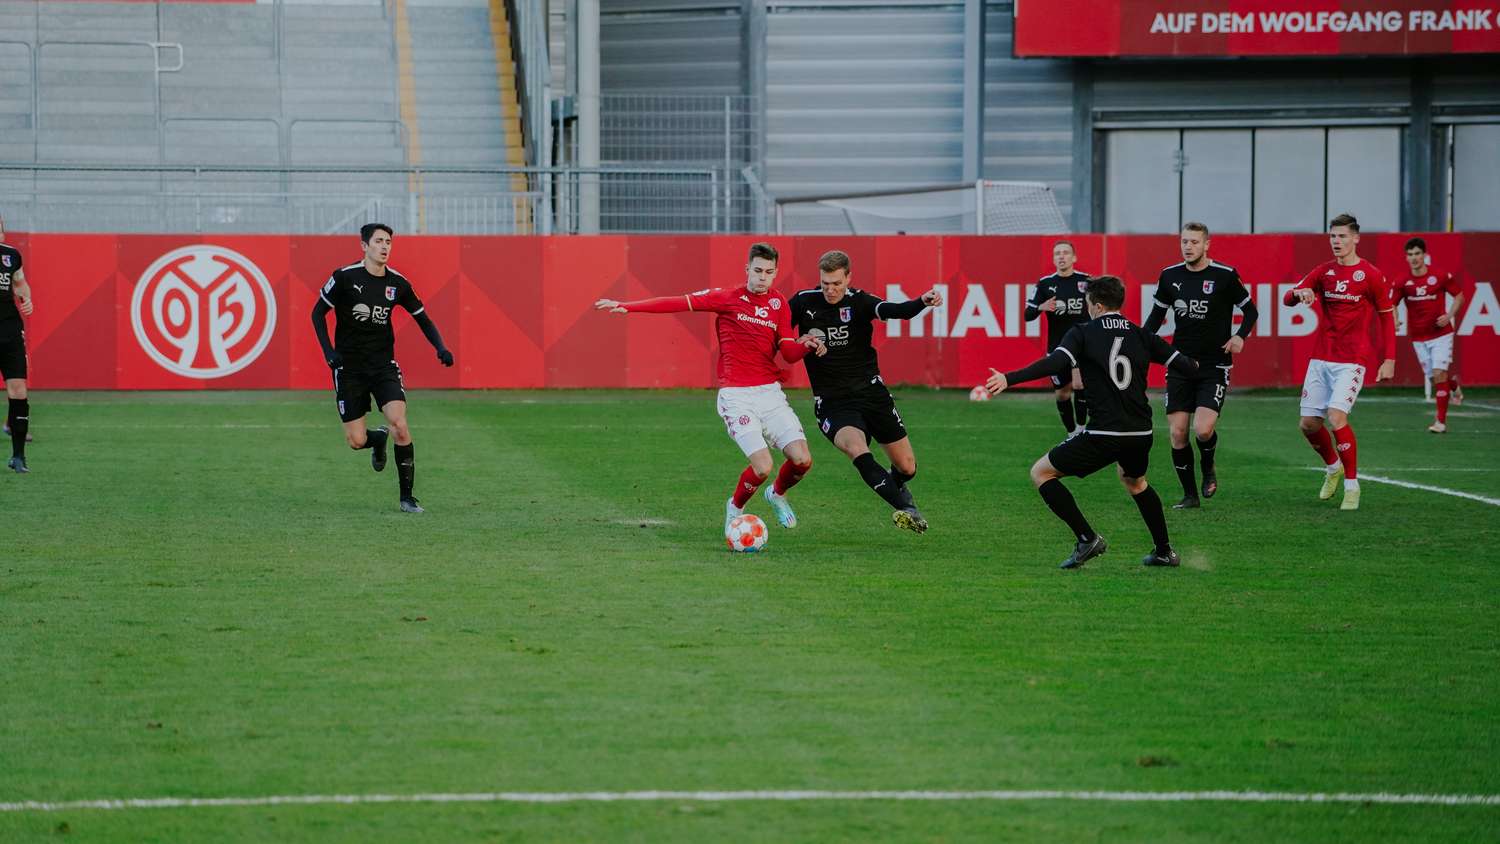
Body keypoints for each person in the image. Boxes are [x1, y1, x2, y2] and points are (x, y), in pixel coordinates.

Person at [594, 242, 822, 536]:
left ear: (775, 272)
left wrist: (806, 346)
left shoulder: (779, 304)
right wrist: (628, 305)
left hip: (769, 393)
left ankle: (777, 494)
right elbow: (678, 302)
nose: (762, 277)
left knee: (802, 460)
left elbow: (787, 351)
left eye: (768, 272)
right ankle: (735, 509)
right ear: (747, 269)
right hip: (737, 396)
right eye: (757, 270)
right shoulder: (727, 297)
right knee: (762, 467)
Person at [988, 275, 1199, 569]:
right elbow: (1188, 367)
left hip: (1104, 432)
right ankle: (1164, 551)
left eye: (1088, 303)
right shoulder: (1142, 334)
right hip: (1140, 433)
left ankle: (1087, 538)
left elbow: (1055, 363)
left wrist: (1008, 378)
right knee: (1135, 482)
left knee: (1041, 473)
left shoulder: (1083, 332)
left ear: (1097, 305)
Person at [788, 250, 942, 534]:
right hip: (833, 402)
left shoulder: (860, 301)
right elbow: (778, 336)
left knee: (907, 467)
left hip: (872, 395)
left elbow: (896, 311)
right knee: (856, 448)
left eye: (836, 283)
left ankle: (897, 485)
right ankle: (907, 509)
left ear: (848, 277)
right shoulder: (803, 301)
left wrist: (922, 301)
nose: (830, 290)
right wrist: (800, 342)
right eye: (825, 283)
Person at [311, 223, 454, 513]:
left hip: (383, 366)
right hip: (349, 369)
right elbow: (317, 314)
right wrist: (329, 352)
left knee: (399, 424)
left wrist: (440, 347)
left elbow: (423, 318)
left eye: (388, 241)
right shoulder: (344, 277)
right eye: (378, 241)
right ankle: (377, 439)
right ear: (364, 246)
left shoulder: (398, 284)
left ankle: (407, 498)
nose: (384, 246)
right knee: (356, 441)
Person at [1283, 213, 1396, 512]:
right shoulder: (1323, 272)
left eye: (1342, 236)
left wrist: (1389, 359)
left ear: (1356, 238)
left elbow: (1387, 317)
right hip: (1321, 358)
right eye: (1333, 236)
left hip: (1352, 360)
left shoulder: (1370, 275)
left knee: (1336, 417)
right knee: (1308, 424)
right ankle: (1333, 467)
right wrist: (1299, 292)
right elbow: (1287, 299)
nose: (1336, 241)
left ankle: (1352, 486)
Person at [1143, 222, 1259, 509]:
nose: (1188, 247)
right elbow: (1155, 318)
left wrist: (1239, 336)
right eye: (1184, 241)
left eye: (1194, 242)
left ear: (1207, 245)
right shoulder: (1169, 276)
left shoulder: (1225, 275)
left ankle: (1208, 467)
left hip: (1214, 365)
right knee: (1177, 432)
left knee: (1203, 430)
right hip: (1180, 363)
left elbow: (1250, 311)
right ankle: (1190, 496)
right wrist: (1139, 344)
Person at [1391, 237, 1465, 433]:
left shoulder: (1440, 275)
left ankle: (1440, 422)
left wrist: (1449, 316)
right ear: (1406, 257)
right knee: (1435, 378)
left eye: (1417, 253)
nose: (1414, 258)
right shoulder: (1402, 281)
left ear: (1424, 255)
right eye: (1410, 254)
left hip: (1441, 334)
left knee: (1439, 374)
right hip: (1418, 337)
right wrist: (1395, 319)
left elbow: (1459, 296)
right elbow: (1392, 304)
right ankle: (1454, 386)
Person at [1025, 240, 1093, 436]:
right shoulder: (1045, 284)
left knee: (1079, 384)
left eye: (1065, 252)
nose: (1062, 256)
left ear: (1074, 257)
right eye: (1057, 253)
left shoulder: (1087, 282)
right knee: (1062, 394)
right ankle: (1071, 433)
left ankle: (1081, 429)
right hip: (1058, 346)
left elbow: (1101, 306)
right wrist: (1041, 307)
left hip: (1081, 344)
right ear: (1054, 259)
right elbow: (1027, 315)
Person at [0, 213, 34, 473]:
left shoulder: (11, 255)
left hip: (10, 329)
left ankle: (18, 456)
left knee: (19, 389)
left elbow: (20, 284)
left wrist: (27, 299)